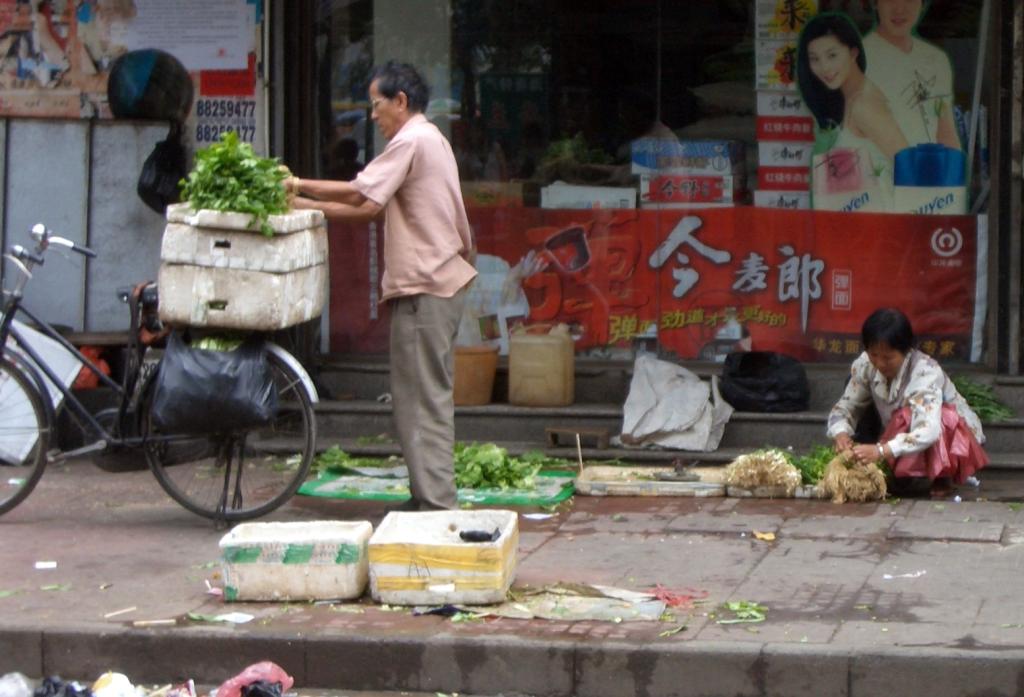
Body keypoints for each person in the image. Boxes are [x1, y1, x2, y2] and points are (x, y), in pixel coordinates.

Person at [286, 61, 477, 511]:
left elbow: (360, 194)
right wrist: (304, 204)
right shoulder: (432, 138)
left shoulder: (411, 140)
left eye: (376, 105)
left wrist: (297, 189)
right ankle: (426, 497)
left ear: (400, 102)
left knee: (424, 400)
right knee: (416, 399)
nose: (372, 115)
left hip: (426, 285)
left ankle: (436, 505)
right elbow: (369, 208)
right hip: (437, 281)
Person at [827, 308, 988, 497]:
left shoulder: (925, 372)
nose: (879, 363)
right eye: (874, 355)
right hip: (898, 430)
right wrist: (841, 433)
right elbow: (846, 406)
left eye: (888, 358)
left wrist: (881, 450)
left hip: (952, 438)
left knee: (910, 416)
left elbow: (929, 429)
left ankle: (942, 474)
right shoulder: (865, 364)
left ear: (905, 351)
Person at [797, 13, 909, 211]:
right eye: (814, 59)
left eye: (832, 55)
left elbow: (909, 167)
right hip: (855, 220)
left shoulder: (864, 106)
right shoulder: (847, 99)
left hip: (875, 221)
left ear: (853, 52)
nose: (824, 67)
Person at [862, 0, 960, 150]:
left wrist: (955, 164)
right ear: (875, 3)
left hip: (928, 162)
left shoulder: (936, 59)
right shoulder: (856, 60)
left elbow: (946, 133)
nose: (899, 9)